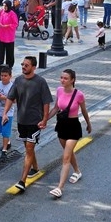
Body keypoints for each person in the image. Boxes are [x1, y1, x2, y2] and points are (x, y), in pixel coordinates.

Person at [38, 69, 91, 199]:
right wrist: (45, 120)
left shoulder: (79, 95)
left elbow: (84, 111)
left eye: (65, 78)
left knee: (66, 157)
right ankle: (77, 171)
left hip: (73, 127)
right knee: (69, 152)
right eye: (61, 77)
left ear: (72, 80)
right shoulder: (59, 90)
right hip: (61, 126)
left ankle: (59, 188)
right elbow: (56, 108)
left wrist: (88, 124)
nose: (62, 80)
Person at [3, 55, 52, 193]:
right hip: (21, 121)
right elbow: (10, 97)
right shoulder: (18, 80)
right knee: (28, 147)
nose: (23, 67)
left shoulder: (41, 82)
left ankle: (22, 181)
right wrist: (5, 113)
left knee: (29, 148)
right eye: (22, 64)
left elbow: (46, 102)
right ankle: (35, 168)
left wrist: (45, 119)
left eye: (26, 65)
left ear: (33, 67)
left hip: (35, 122)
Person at [0, 66, 15, 155]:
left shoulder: (12, 87)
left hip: (8, 112)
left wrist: (4, 98)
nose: (3, 77)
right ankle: (8, 142)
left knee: (5, 131)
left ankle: (4, 149)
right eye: (2, 75)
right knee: (1, 130)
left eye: (5, 76)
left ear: (10, 76)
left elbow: (15, 100)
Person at [0, 0, 18, 69]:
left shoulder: (12, 14)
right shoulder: (2, 11)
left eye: (6, 6)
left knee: (9, 52)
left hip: (9, 36)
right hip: (1, 34)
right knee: (0, 51)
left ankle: (9, 65)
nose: (4, 7)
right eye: (3, 5)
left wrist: (7, 26)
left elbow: (15, 24)